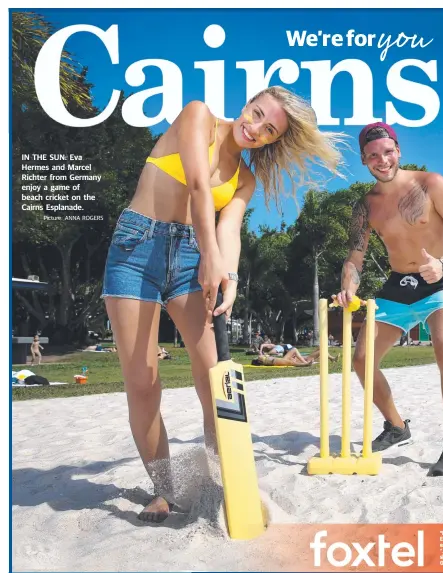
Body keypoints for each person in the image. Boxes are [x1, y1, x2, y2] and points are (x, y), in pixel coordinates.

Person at [101, 87, 345, 522]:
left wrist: (227, 276)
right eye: (256, 114)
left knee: (215, 379)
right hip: (137, 247)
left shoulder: (245, 179)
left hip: (194, 257)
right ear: (247, 102)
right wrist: (211, 255)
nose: (255, 128)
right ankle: (165, 490)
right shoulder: (198, 116)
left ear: (273, 140)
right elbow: (197, 184)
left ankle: (229, 481)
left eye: (269, 130)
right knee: (143, 383)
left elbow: (229, 229)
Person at [333, 122, 443, 477]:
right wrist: (348, 285)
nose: (383, 160)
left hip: (438, 281)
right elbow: (355, 257)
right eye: (373, 155)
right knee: (362, 360)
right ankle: (396, 426)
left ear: (398, 149)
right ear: (364, 160)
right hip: (399, 284)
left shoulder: (431, 184)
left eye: (388, 151)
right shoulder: (365, 206)